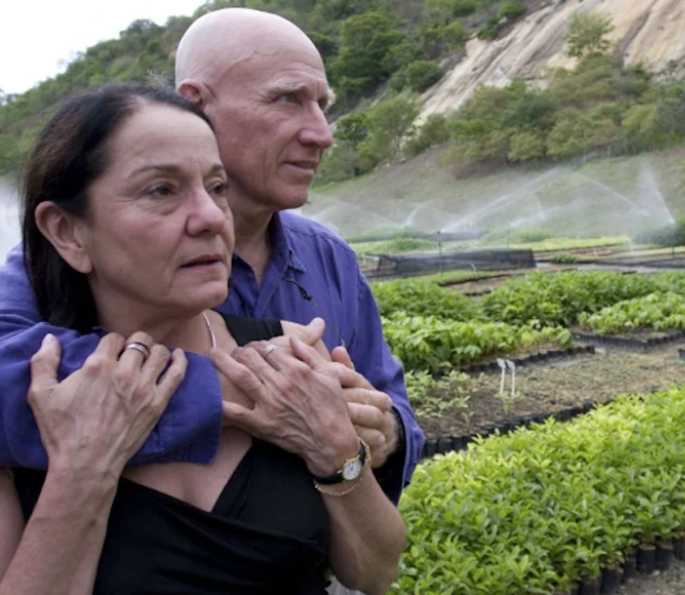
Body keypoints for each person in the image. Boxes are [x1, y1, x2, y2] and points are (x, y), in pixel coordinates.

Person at [0, 8, 423, 505]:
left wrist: (384, 431)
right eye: (287, 99)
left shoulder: (331, 259)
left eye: (321, 104)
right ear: (196, 104)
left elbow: (393, 407)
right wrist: (241, 388)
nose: (321, 133)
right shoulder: (72, 257)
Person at [0, 84, 406, 595]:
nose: (213, 217)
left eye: (217, 188)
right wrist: (83, 476)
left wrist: (337, 452)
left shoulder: (290, 355)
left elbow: (375, 572)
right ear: (67, 231)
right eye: (161, 191)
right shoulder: (32, 405)